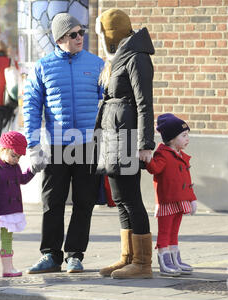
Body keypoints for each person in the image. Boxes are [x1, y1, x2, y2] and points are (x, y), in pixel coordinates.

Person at [23, 13, 104, 274]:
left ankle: (75, 255)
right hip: (56, 145)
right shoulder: (43, 67)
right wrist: (32, 145)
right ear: (60, 39)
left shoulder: (97, 64)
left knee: (84, 201)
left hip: (88, 144)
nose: (80, 38)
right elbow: (31, 107)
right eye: (73, 34)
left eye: (81, 33)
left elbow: (109, 103)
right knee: (52, 201)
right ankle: (50, 255)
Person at [94, 8, 155, 279]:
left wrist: (146, 143)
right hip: (113, 136)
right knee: (119, 199)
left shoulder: (137, 58)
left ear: (112, 33)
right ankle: (127, 257)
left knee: (131, 199)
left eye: (102, 33)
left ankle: (143, 263)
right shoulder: (118, 56)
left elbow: (144, 104)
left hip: (128, 136)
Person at [0, 131, 38, 280]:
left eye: (18, 157)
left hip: (11, 211)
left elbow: (21, 180)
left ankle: (8, 268)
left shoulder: (15, 167)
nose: (16, 160)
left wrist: (32, 170)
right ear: (4, 150)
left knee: (7, 239)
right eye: (14, 155)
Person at [145, 113, 197, 277]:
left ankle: (175, 258)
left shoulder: (181, 156)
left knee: (174, 231)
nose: (187, 138)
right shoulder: (163, 154)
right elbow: (155, 169)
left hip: (180, 200)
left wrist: (192, 198)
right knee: (165, 231)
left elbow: (187, 179)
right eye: (183, 135)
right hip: (167, 201)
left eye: (187, 134)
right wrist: (147, 159)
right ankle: (164, 259)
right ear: (172, 139)